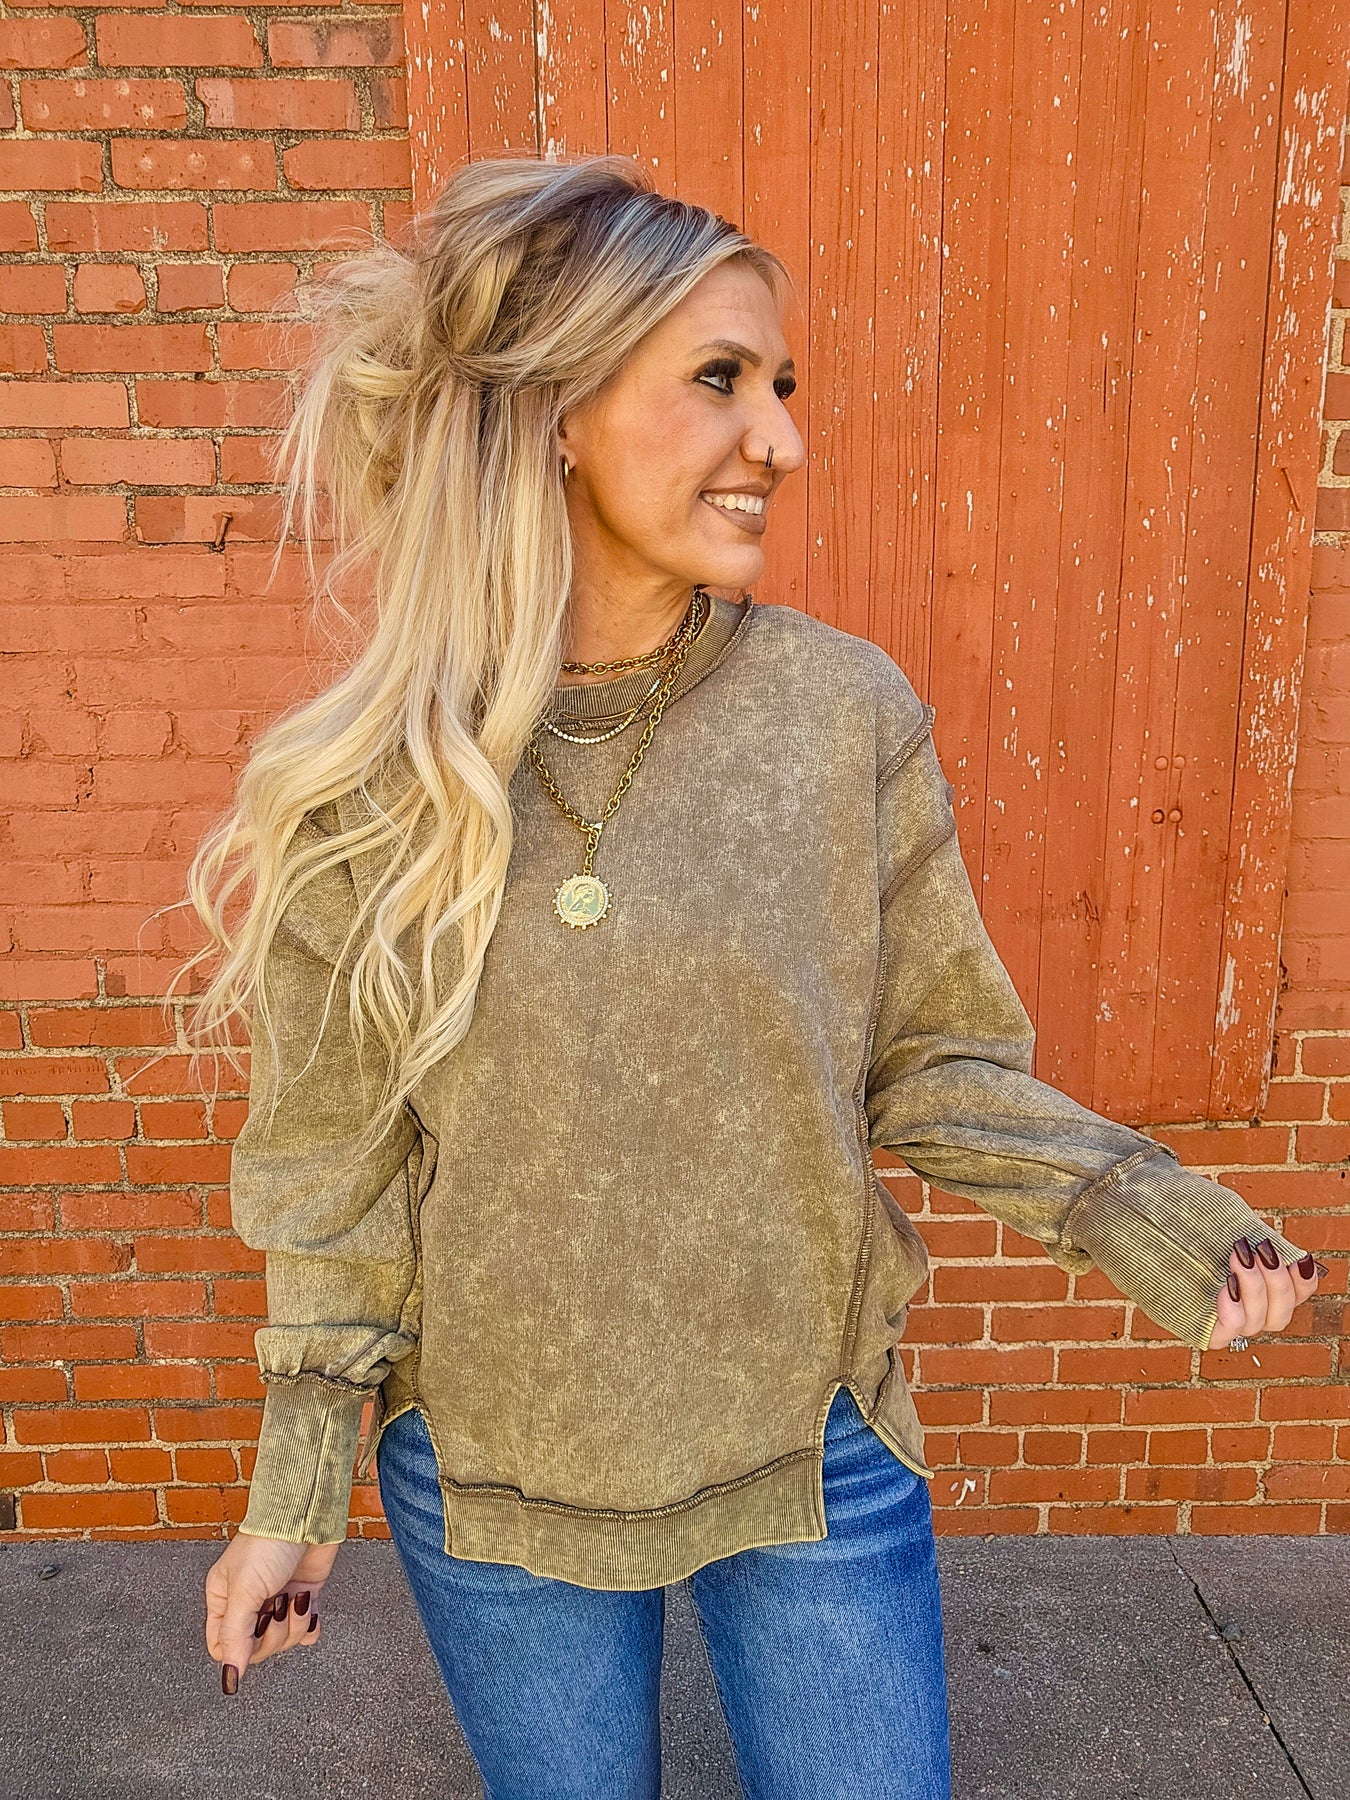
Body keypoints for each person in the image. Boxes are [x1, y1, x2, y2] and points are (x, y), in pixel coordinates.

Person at [188, 151, 1324, 1799]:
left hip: (809, 1447)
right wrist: (295, 1491)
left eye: (777, 387)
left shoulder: (835, 713)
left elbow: (930, 1057)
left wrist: (1149, 1213)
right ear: (555, 411)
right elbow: (335, 1171)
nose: (779, 440)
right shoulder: (373, 781)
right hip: (497, 1470)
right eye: (718, 379)